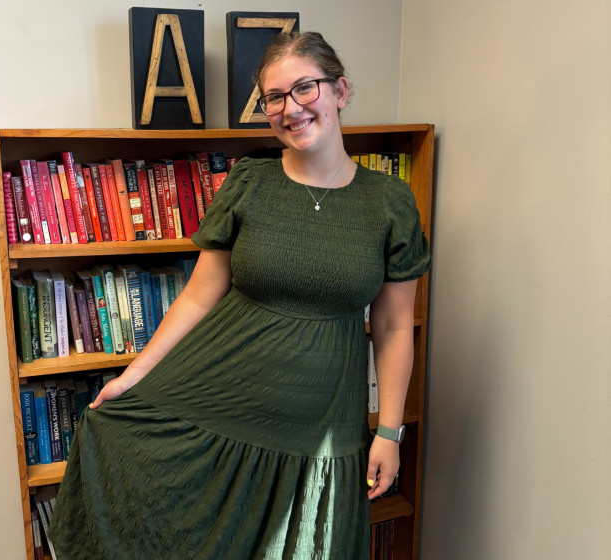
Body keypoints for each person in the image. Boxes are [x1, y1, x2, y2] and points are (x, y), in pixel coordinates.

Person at [49, 31, 430, 559]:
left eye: (304, 88)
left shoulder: (389, 202)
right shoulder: (250, 182)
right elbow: (198, 297)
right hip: (222, 403)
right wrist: (133, 376)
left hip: (322, 430)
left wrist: (389, 431)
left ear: (340, 91)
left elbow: (392, 326)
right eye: (274, 98)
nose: (290, 109)